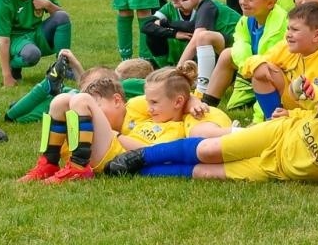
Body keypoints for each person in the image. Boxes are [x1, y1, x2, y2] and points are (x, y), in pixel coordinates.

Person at [102, 67, 318, 200]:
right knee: (208, 150)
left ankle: (138, 172)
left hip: (276, 169)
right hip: (276, 134)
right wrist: (300, 93)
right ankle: (139, 157)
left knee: (205, 173)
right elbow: (304, 98)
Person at [19, 63, 228, 183]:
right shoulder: (143, 113)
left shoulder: (176, 128)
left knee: (82, 101)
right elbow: (140, 97)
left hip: (116, 156)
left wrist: (116, 136)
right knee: (60, 101)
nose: (150, 107)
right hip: (110, 147)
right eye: (149, 102)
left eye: (154, 103)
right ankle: (48, 162)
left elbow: (151, 152)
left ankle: (79, 168)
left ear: (177, 103)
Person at [140, 0, 238, 100]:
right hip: (231, 56)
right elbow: (189, 27)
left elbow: (197, 38)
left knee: (203, 37)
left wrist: (176, 72)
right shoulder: (200, 7)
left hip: (241, 54)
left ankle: (201, 91)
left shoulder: (207, 6)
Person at [246, 2, 318, 121]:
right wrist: (257, 64)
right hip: (290, 108)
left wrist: (292, 115)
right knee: (262, 68)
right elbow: (249, 63)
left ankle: (281, 125)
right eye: (288, 29)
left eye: (295, 30)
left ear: (316, 36)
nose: (288, 35)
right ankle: (273, 121)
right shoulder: (286, 48)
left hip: (316, 120)